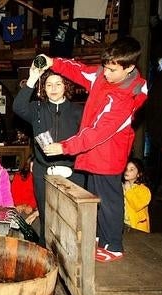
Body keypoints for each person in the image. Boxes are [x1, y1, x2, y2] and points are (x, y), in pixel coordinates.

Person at [40, 36, 149, 262]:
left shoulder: (124, 99)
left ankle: (114, 245)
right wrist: (53, 62)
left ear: (129, 68)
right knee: (97, 198)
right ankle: (101, 237)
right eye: (105, 67)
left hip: (109, 155)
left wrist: (65, 146)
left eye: (112, 70)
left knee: (110, 200)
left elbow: (98, 131)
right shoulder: (103, 75)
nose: (105, 74)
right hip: (93, 153)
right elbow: (81, 71)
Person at [13, 68, 85, 246]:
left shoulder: (79, 111)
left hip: (73, 173)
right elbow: (18, 107)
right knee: (46, 217)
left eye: (58, 84)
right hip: (43, 172)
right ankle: (47, 256)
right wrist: (33, 78)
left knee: (71, 219)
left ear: (66, 86)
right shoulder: (37, 108)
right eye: (49, 84)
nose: (53, 88)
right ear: (43, 88)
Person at [123, 158, 151, 233]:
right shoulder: (121, 187)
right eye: (126, 168)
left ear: (139, 174)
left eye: (131, 169)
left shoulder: (144, 190)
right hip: (123, 224)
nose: (127, 171)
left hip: (137, 227)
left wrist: (128, 190)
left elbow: (137, 205)